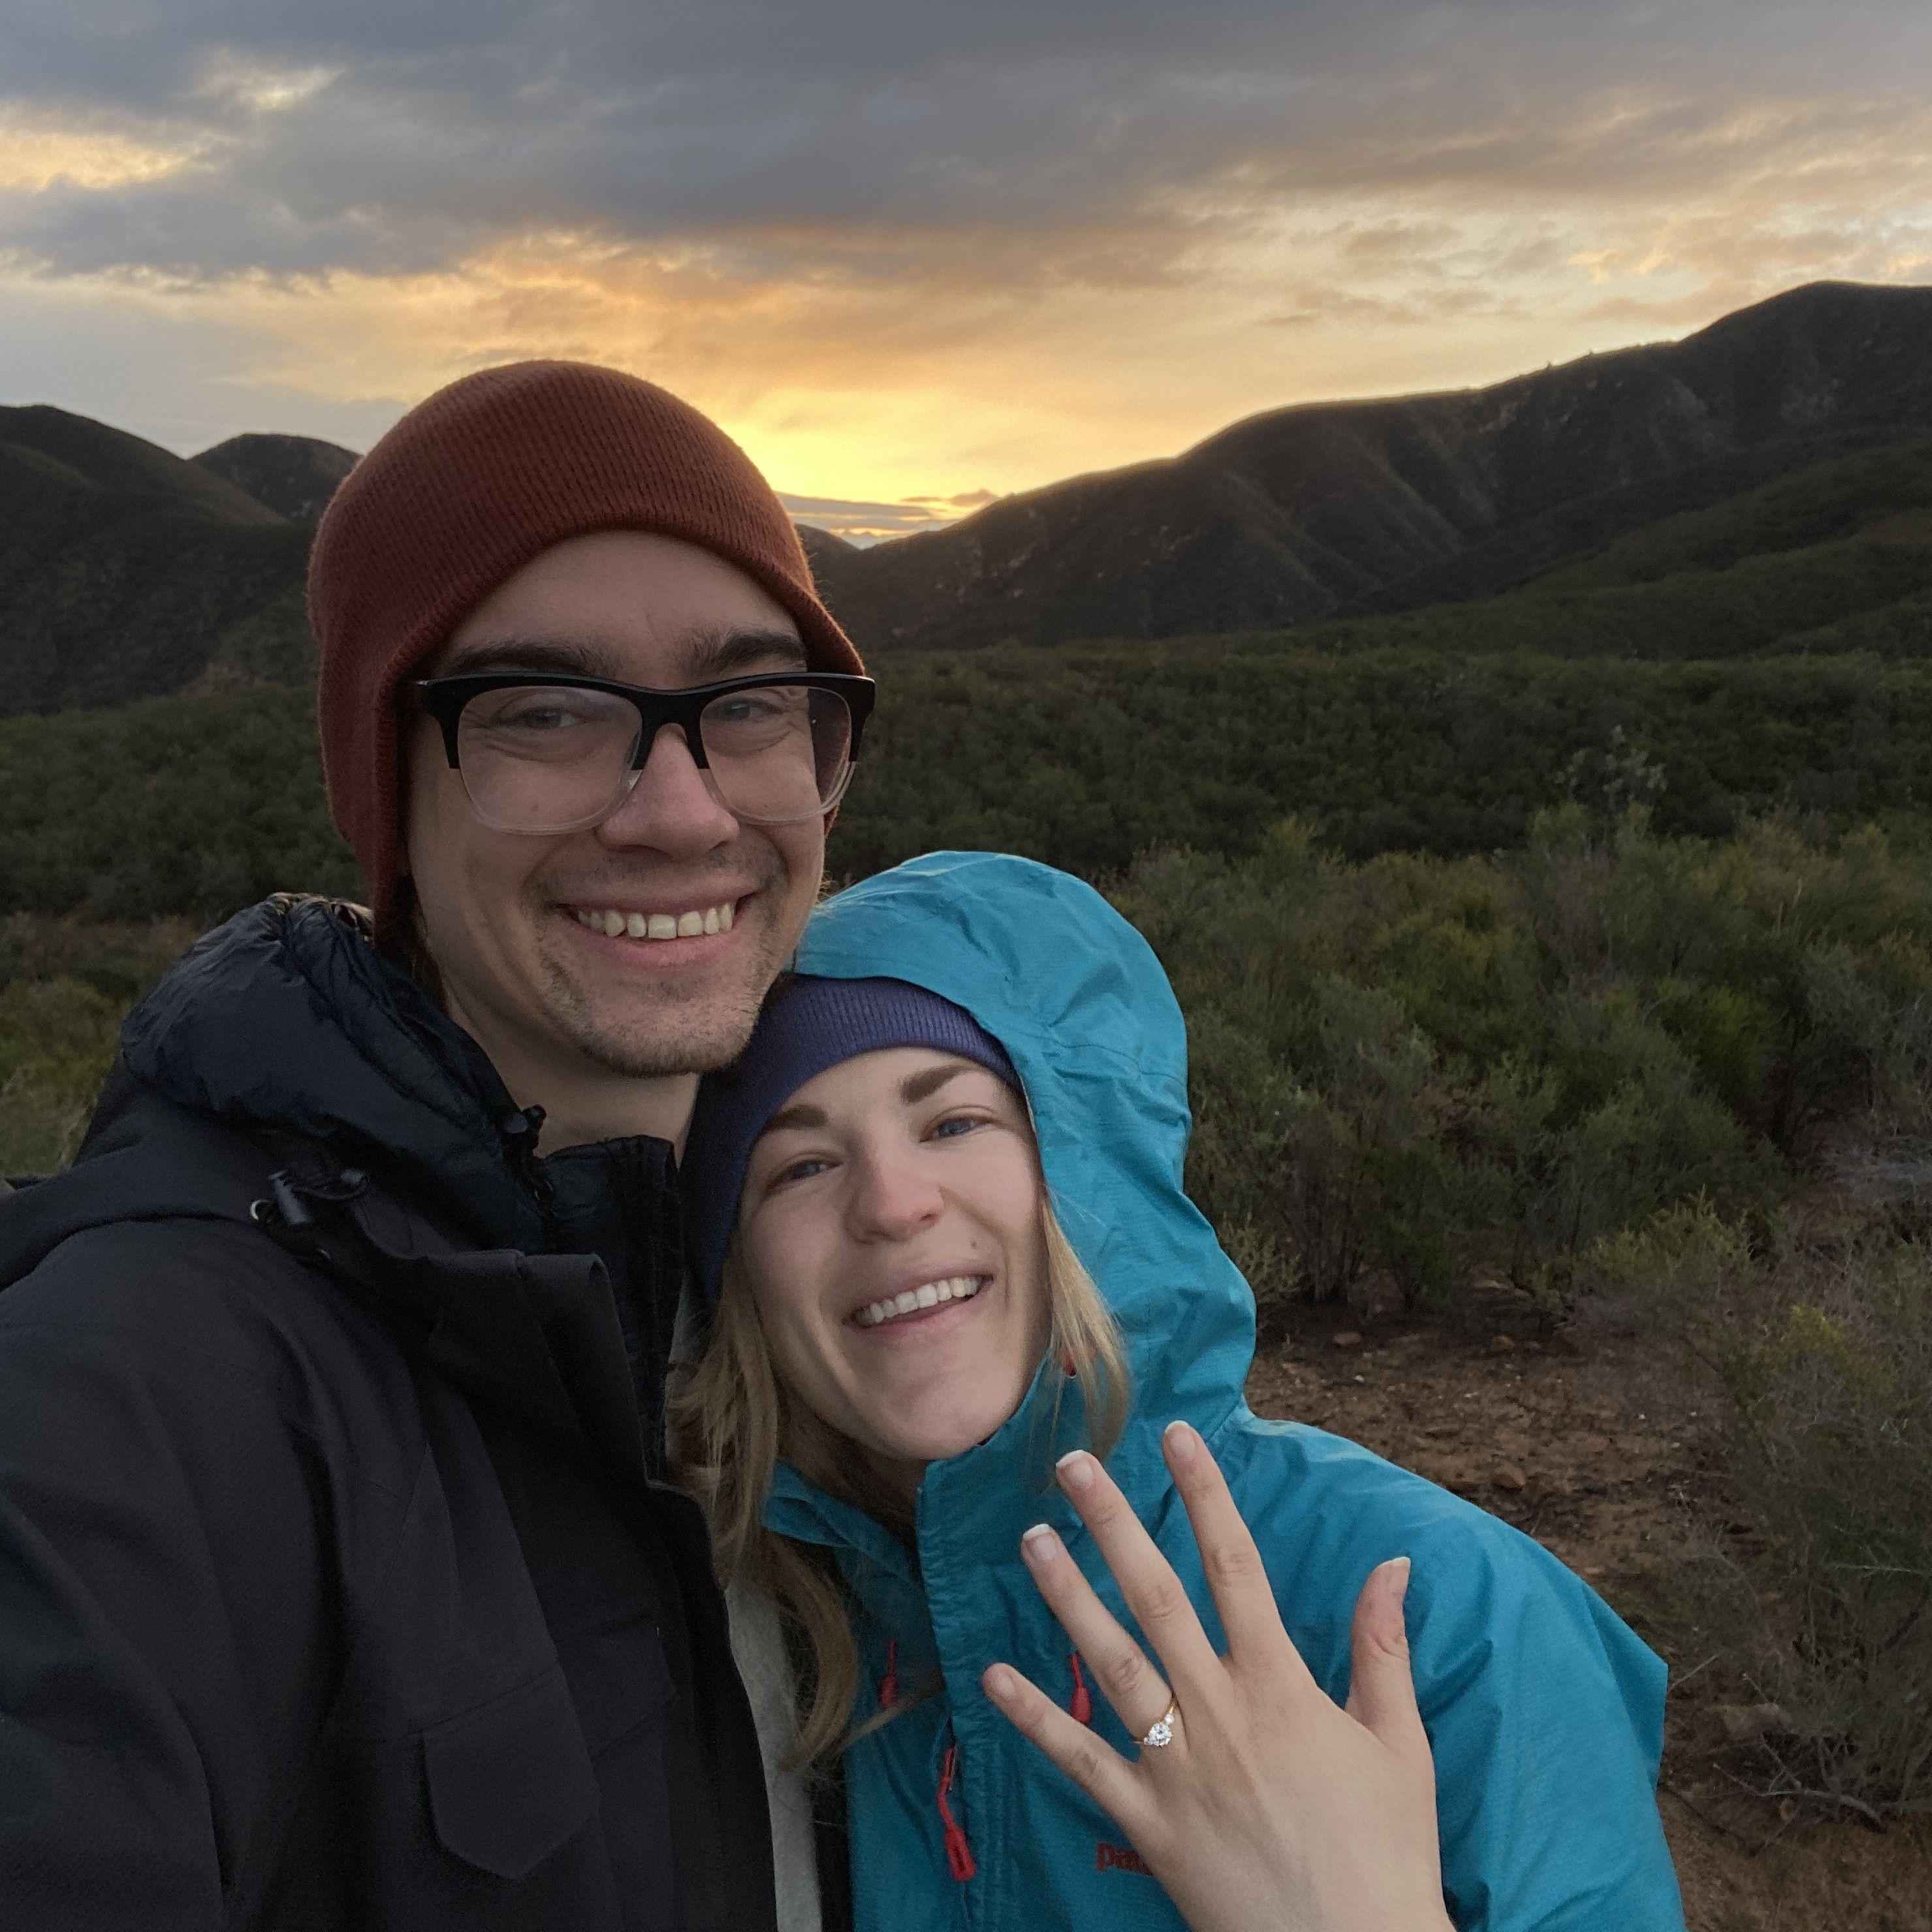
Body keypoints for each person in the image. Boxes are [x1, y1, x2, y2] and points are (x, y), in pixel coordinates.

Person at [0, 360, 872, 1929]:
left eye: (749, 703)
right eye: (545, 711)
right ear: (383, 784)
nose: (680, 813)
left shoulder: (845, 1274)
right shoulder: (148, 1375)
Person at [675, 849, 1690, 1932]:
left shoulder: (1433, 1609)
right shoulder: (791, 1633)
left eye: (954, 1122)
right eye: (800, 1167)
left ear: (1088, 1167)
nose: (889, 1203)